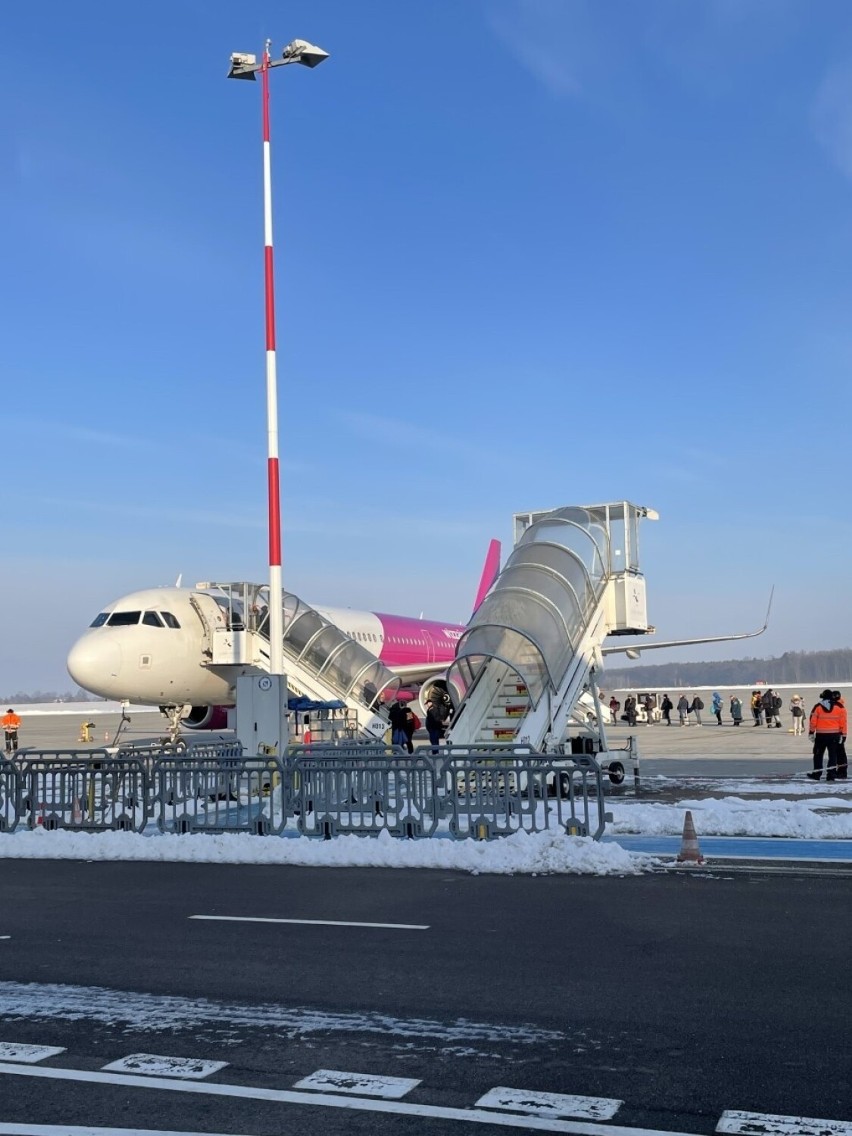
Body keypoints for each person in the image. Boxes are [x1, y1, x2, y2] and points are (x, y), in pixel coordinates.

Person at [807, 689, 847, 781]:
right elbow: (842, 723)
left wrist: (811, 732)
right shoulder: (839, 707)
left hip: (821, 735)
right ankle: (831, 774)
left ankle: (817, 774)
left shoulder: (818, 707)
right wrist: (843, 734)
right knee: (833, 755)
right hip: (834, 735)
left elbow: (813, 721)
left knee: (818, 755)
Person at [832, 691, 848, 779]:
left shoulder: (839, 708)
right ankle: (839, 771)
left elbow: (843, 723)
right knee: (837, 753)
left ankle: (842, 772)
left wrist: (843, 735)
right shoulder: (837, 706)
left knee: (840, 754)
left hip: (839, 733)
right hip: (835, 733)